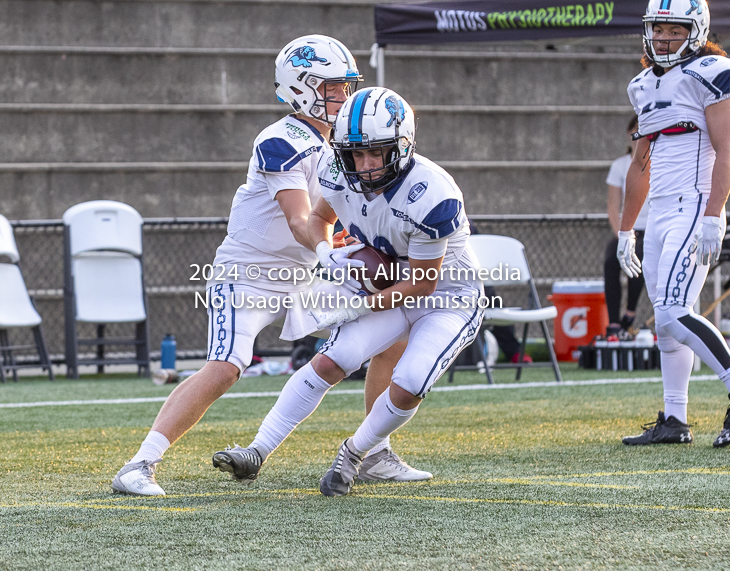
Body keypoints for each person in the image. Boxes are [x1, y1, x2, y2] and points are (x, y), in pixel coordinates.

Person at [111, 35, 427, 496]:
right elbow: (300, 218)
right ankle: (138, 465)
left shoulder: (346, 143)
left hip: (305, 275)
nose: (343, 96)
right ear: (301, 88)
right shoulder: (280, 138)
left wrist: (357, 251)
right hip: (250, 273)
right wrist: (329, 255)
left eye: (346, 86)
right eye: (332, 87)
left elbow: (344, 218)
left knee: (392, 333)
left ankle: (374, 452)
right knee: (226, 366)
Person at [212, 87, 483, 496]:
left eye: (376, 152)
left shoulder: (431, 194)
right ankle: (257, 450)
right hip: (394, 284)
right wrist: (326, 253)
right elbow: (319, 217)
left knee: (409, 382)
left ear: (403, 144)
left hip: (446, 298)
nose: (366, 164)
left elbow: (421, 283)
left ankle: (355, 454)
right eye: (356, 153)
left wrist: (353, 308)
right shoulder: (338, 172)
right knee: (331, 361)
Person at [617, 0, 730, 447]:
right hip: (659, 210)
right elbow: (640, 164)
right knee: (664, 320)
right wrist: (626, 229)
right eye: (656, 29)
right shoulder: (641, 85)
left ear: (695, 30)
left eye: (673, 30)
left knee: (677, 310)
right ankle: (675, 420)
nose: (662, 38)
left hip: (694, 206)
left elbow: (727, 150)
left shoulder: (713, 72)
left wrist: (715, 214)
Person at [604, 116, 646, 335]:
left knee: (638, 257)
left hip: (651, 229)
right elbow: (613, 206)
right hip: (628, 229)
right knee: (611, 259)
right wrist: (621, 234)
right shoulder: (619, 166)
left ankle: (629, 313)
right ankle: (612, 322)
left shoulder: (656, 160)